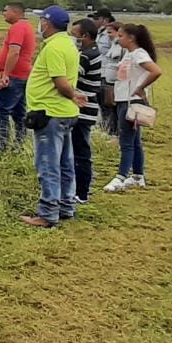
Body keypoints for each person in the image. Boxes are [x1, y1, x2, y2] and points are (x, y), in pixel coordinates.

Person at [21, 6, 86, 228]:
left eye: (41, 20)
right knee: (65, 164)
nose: (39, 24)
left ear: (47, 23)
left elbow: (60, 82)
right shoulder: (68, 44)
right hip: (64, 114)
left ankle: (48, 213)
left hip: (50, 114)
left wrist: (73, 95)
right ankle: (67, 207)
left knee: (48, 164)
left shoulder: (54, 48)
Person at [102, 23, 164, 192]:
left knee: (126, 141)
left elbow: (156, 71)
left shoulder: (138, 54)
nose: (117, 38)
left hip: (132, 102)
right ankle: (138, 175)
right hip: (124, 100)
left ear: (131, 38)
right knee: (135, 141)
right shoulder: (129, 54)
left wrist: (140, 87)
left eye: (121, 36)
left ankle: (120, 177)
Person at [0, 2, 36, 150]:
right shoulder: (27, 26)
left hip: (15, 76)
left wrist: (6, 74)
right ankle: (20, 143)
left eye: (5, 10)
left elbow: (14, 51)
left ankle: (3, 146)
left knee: (2, 111)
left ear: (16, 12)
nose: (3, 13)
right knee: (19, 112)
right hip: (23, 75)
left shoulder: (18, 27)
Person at [70, 18, 103, 204]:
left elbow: (70, 76)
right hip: (86, 110)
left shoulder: (86, 56)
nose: (72, 39)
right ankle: (80, 190)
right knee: (79, 151)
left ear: (85, 36)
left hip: (83, 111)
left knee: (80, 153)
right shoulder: (91, 52)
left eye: (74, 35)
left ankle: (81, 193)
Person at [91, 9, 117, 132]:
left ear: (105, 20)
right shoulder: (99, 33)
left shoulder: (111, 35)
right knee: (101, 103)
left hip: (108, 74)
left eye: (97, 19)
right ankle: (106, 127)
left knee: (108, 104)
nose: (93, 21)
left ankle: (112, 130)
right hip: (99, 73)